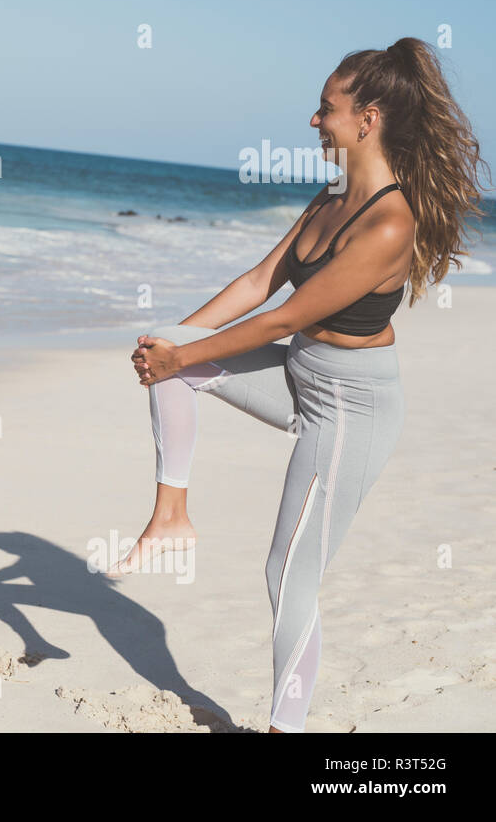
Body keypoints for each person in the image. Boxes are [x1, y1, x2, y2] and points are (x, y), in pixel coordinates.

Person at [119, 37, 488, 732]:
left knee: (287, 573)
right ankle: (172, 514)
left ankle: (283, 727)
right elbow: (260, 281)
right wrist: (171, 344)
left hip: (352, 410)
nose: (313, 121)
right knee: (179, 354)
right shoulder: (334, 195)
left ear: (368, 117)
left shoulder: (388, 222)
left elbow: (281, 316)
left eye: (326, 109)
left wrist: (180, 354)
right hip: (301, 374)